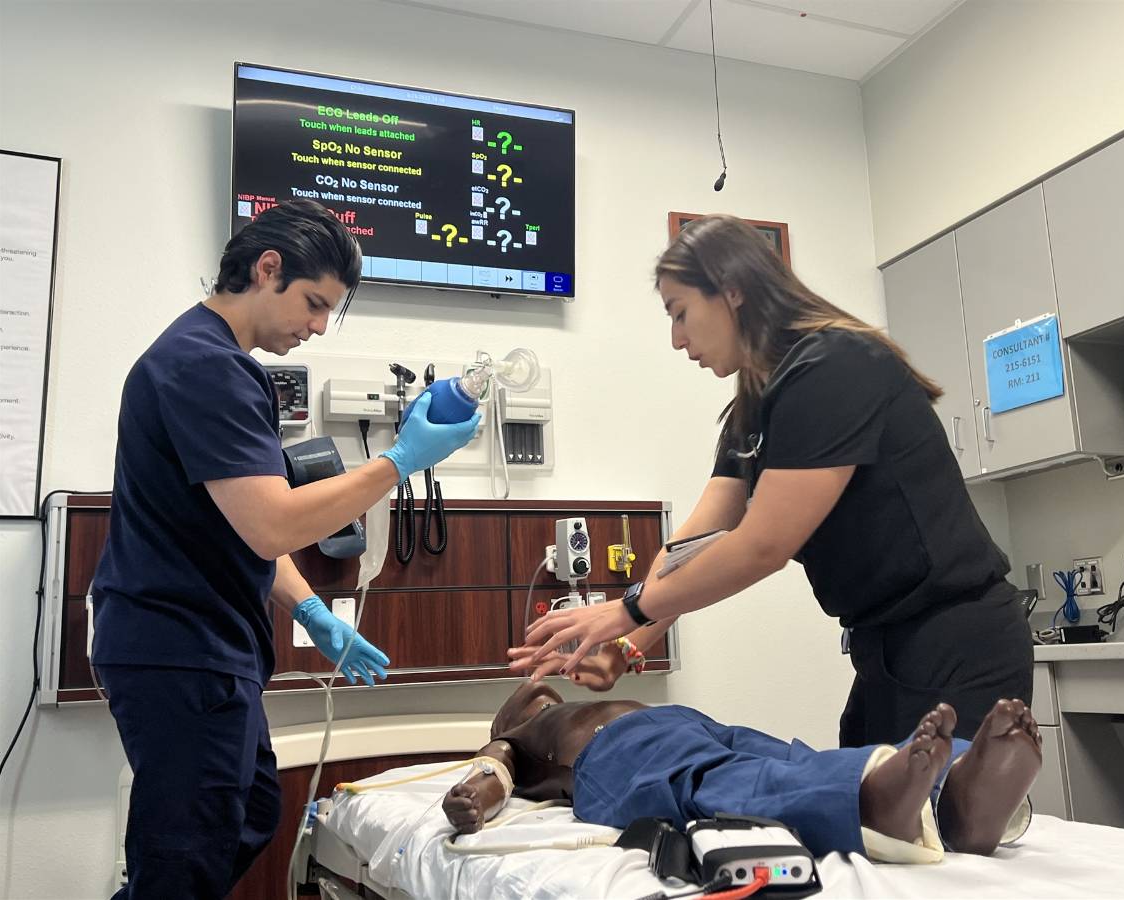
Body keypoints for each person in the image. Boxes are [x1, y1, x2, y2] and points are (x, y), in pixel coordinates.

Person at [512, 214, 1033, 747]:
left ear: (733, 291)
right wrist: (627, 645)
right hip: (884, 647)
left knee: (932, 821)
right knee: (867, 813)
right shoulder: (754, 409)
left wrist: (627, 611)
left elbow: (763, 545)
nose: (676, 338)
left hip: (958, 641)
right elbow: (691, 544)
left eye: (681, 313)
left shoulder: (836, 365)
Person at [91, 199, 479, 899]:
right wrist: (398, 460)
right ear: (267, 269)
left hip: (192, 644)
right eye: (313, 303)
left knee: (249, 812)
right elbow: (274, 524)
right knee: (184, 857)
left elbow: (238, 526)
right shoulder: (207, 367)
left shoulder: (208, 358)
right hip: (181, 647)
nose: (317, 326)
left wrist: (310, 612)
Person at [441, 679, 1042, 863]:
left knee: (789, 759)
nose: (541, 689)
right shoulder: (518, 738)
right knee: (713, 782)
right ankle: (869, 805)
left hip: (687, 723)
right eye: (530, 695)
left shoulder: (580, 702)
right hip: (616, 755)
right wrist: (471, 796)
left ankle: (954, 798)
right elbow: (491, 774)